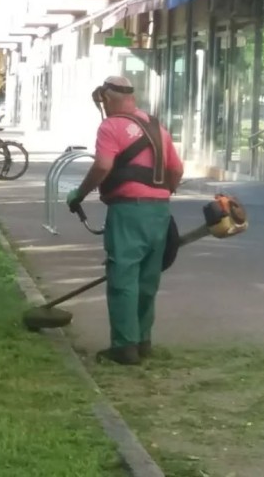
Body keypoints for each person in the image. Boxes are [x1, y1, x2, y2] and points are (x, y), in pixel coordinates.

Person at [65, 76, 184, 366]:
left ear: (106, 99)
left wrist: (80, 194)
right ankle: (143, 340)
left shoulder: (111, 126)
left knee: (123, 278)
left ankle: (124, 347)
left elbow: (103, 165)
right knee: (148, 277)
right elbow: (176, 169)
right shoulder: (157, 126)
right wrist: (162, 193)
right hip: (159, 212)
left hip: (128, 211)